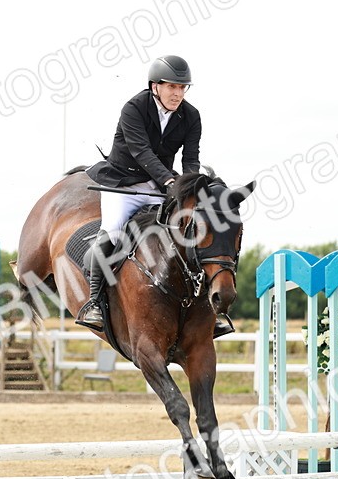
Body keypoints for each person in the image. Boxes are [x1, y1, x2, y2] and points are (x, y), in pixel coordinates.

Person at [79, 55, 230, 338]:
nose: (178, 93)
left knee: (190, 232)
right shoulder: (134, 109)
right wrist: (170, 180)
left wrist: (191, 188)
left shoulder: (191, 116)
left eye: (183, 88)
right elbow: (142, 153)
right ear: (155, 86)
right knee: (111, 234)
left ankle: (209, 312)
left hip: (161, 187)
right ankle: (94, 303)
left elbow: (191, 158)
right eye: (172, 87)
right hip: (124, 185)